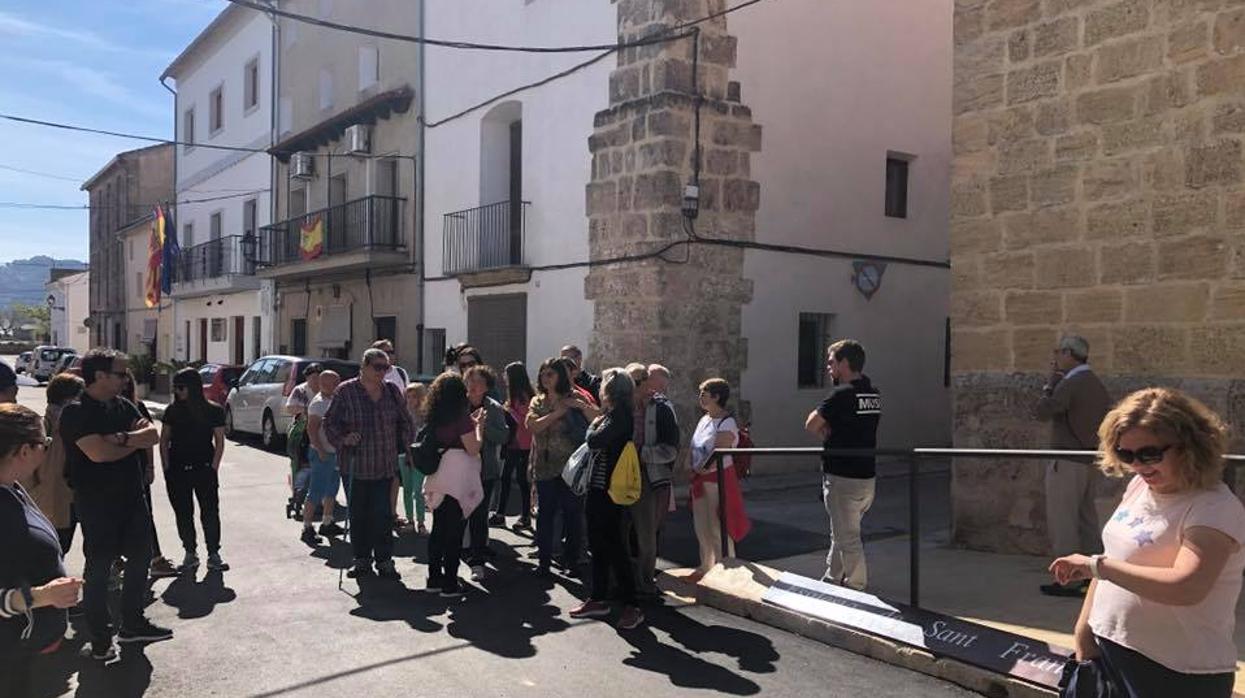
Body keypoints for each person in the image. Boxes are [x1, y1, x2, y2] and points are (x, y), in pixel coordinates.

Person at [1050, 388, 1245, 698]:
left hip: (1175, 672)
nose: (1138, 465)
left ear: (1190, 446)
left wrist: (1095, 566)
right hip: (1111, 652)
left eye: (1149, 454)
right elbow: (1110, 559)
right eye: (1126, 454)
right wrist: (1084, 637)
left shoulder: (1214, 508)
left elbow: (1187, 587)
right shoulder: (1140, 487)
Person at [60, 348, 171, 660]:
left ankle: (132, 624)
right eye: (121, 373)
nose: (126, 379)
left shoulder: (121, 405)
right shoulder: (76, 412)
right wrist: (128, 443)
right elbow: (98, 454)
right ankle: (100, 638)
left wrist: (119, 439)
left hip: (132, 498)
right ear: (100, 376)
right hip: (97, 503)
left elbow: (151, 434)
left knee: (140, 560)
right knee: (99, 569)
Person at [0, 404, 83, 694]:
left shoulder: (12, 487)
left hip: (26, 648)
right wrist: (41, 597)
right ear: (24, 451)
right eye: (44, 444)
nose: (47, 450)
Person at [323, 348, 413, 580]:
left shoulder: (392, 392)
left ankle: (384, 561)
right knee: (359, 515)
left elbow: (406, 423)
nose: (383, 372)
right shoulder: (345, 391)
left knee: (383, 516)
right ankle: (361, 559)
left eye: (386, 368)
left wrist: (409, 451)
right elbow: (330, 422)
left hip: (384, 465)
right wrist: (343, 438)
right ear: (363, 367)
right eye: (378, 367)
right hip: (355, 466)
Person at [1037, 334, 1113, 597]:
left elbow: (1044, 411)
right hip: (1087, 458)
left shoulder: (1071, 382)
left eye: (1058, 352)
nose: (1055, 357)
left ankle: (1067, 578)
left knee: (1063, 520)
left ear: (1069, 353)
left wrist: (1050, 385)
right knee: (1087, 519)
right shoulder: (1095, 383)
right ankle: (1094, 576)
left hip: (1067, 460)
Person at [803, 339, 881, 591]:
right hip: (866, 476)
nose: (828, 368)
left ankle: (857, 586)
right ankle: (832, 578)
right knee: (842, 530)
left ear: (844, 363)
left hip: (843, 475)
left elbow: (811, 424)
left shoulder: (841, 394)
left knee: (847, 537)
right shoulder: (872, 393)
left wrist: (826, 429)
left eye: (831, 362)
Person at [570, 369, 643, 629]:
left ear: (611, 390)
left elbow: (594, 440)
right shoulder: (610, 415)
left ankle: (632, 604)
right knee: (598, 545)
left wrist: (592, 425)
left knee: (615, 547)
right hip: (599, 488)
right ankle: (598, 597)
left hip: (611, 491)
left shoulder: (620, 415)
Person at [421, 372, 485, 598]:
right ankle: (450, 583)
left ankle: (433, 578)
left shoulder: (434, 416)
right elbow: (473, 448)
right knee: (454, 532)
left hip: (438, 476)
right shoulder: (462, 417)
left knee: (438, 530)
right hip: (457, 478)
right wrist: (479, 427)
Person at [160, 368, 228, 572]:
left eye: (181, 388)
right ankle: (190, 552)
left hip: (204, 469)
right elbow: (164, 440)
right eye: (176, 388)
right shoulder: (172, 411)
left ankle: (213, 553)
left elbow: (219, 440)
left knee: (210, 512)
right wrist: (166, 468)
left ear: (193, 387)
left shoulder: (213, 410)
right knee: (183, 513)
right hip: (178, 470)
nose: (178, 392)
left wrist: (214, 467)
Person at [625, 363, 679, 598]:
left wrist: (641, 455)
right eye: (632, 381)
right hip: (620, 476)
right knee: (620, 531)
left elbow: (672, 449)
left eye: (639, 381)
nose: (636, 386)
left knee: (646, 533)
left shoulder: (661, 409)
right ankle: (624, 578)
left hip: (647, 477)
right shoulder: (621, 406)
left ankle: (645, 581)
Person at [526, 358, 584, 576]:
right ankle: (544, 561)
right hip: (545, 467)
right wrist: (557, 414)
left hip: (570, 468)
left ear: (561, 376)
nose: (546, 378)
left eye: (550, 374)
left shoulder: (574, 397)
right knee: (545, 516)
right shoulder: (537, 401)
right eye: (543, 374)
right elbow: (532, 426)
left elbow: (596, 417)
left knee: (572, 516)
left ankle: (572, 561)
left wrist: (580, 407)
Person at [689, 378, 750, 580]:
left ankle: (727, 571)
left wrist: (702, 468)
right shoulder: (704, 419)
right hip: (700, 478)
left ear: (716, 397)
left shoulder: (727, 422)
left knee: (718, 527)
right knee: (702, 526)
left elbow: (719, 451)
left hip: (717, 479)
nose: (701, 397)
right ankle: (705, 567)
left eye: (704, 393)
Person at [121, 370, 179, 580]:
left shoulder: (136, 407)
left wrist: (151, 468)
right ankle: (132, 559)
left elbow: (150, 439)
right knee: (132, 516)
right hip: (122, 472)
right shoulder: (110, 410)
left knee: (144, 515)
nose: (124, 388)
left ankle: (153, 558)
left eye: (127, 384)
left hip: (137, 469)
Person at [26, 374, 83, 554]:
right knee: (51, 551)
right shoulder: (44, 428)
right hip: (50, 500)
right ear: (69, 399)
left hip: (66, 498)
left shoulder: (69, 425)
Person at [463, 365, 509, 582]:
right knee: (457, 517)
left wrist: (481, 426)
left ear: (486, 386)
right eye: (470, 380)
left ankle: (478, 561)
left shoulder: (494, 408)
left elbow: (503, 437)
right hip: (459, 469)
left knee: (479, 518)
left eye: (479, 382)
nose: (473, 385)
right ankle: (455, 558)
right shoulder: (458, 404)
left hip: (484, 470)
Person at [301, 370, 344, 544]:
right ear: (322, 384)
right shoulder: (318, 404)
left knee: (332, 489)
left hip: (335, 452)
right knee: (316, 490)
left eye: (336, 382)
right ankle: (307, 527)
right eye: (332, 383)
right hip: (322, 453)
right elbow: (312, 429)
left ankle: (327, 521)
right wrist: (319, 450)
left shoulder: (335, 400)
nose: (335, 386)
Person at [492, 362, 534, 530]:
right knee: (505, 477)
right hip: (512, 444)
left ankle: (525, 516)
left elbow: (525, 420)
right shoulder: (513, 395)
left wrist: (508, 411)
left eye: (506, 374)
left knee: (523, 481)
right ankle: (500, 513)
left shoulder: (524, 396)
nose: (504, 377)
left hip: (523, 444)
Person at [396, 383, 429, 535]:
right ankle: (410, 520)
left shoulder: (425, 414)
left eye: (414, 396)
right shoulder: (401, 414)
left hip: (420, 455)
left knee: (418, 490)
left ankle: (421, 522)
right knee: (407, 489)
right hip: (403, 454)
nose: (410, 400)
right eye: (408, 396)